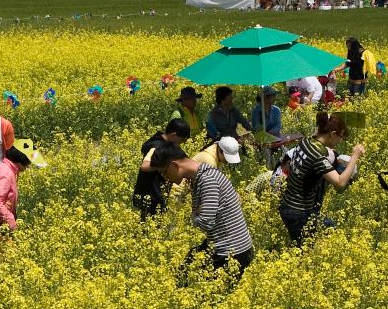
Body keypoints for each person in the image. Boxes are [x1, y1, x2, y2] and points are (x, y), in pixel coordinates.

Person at [150, 143, 254, 281]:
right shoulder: (202, 175)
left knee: (199, 293)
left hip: (232, 253)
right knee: (182, 274)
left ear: (174, 166)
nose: (165, 177)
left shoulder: (207, 179)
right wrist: (199, 212)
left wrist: (194, 215)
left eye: (164, 172)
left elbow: (206, 222)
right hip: (227, 247)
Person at [278, 113, 366, 245]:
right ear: (333, 133)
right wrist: (355, 156)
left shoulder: (305, 141)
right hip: (298, 212)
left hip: (289, 205)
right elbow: (340, 183)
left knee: (329, 229)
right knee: (305, 251)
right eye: (340, 136)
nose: (340, 141)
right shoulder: (316, 155)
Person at [133, 118, 190, 219]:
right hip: (150, 193)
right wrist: (163, 165)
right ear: (173, 135)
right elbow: (144, 167)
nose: (181, 144)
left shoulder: (163, 143)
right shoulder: (157, 146)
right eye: (181, 140)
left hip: (152, 193)